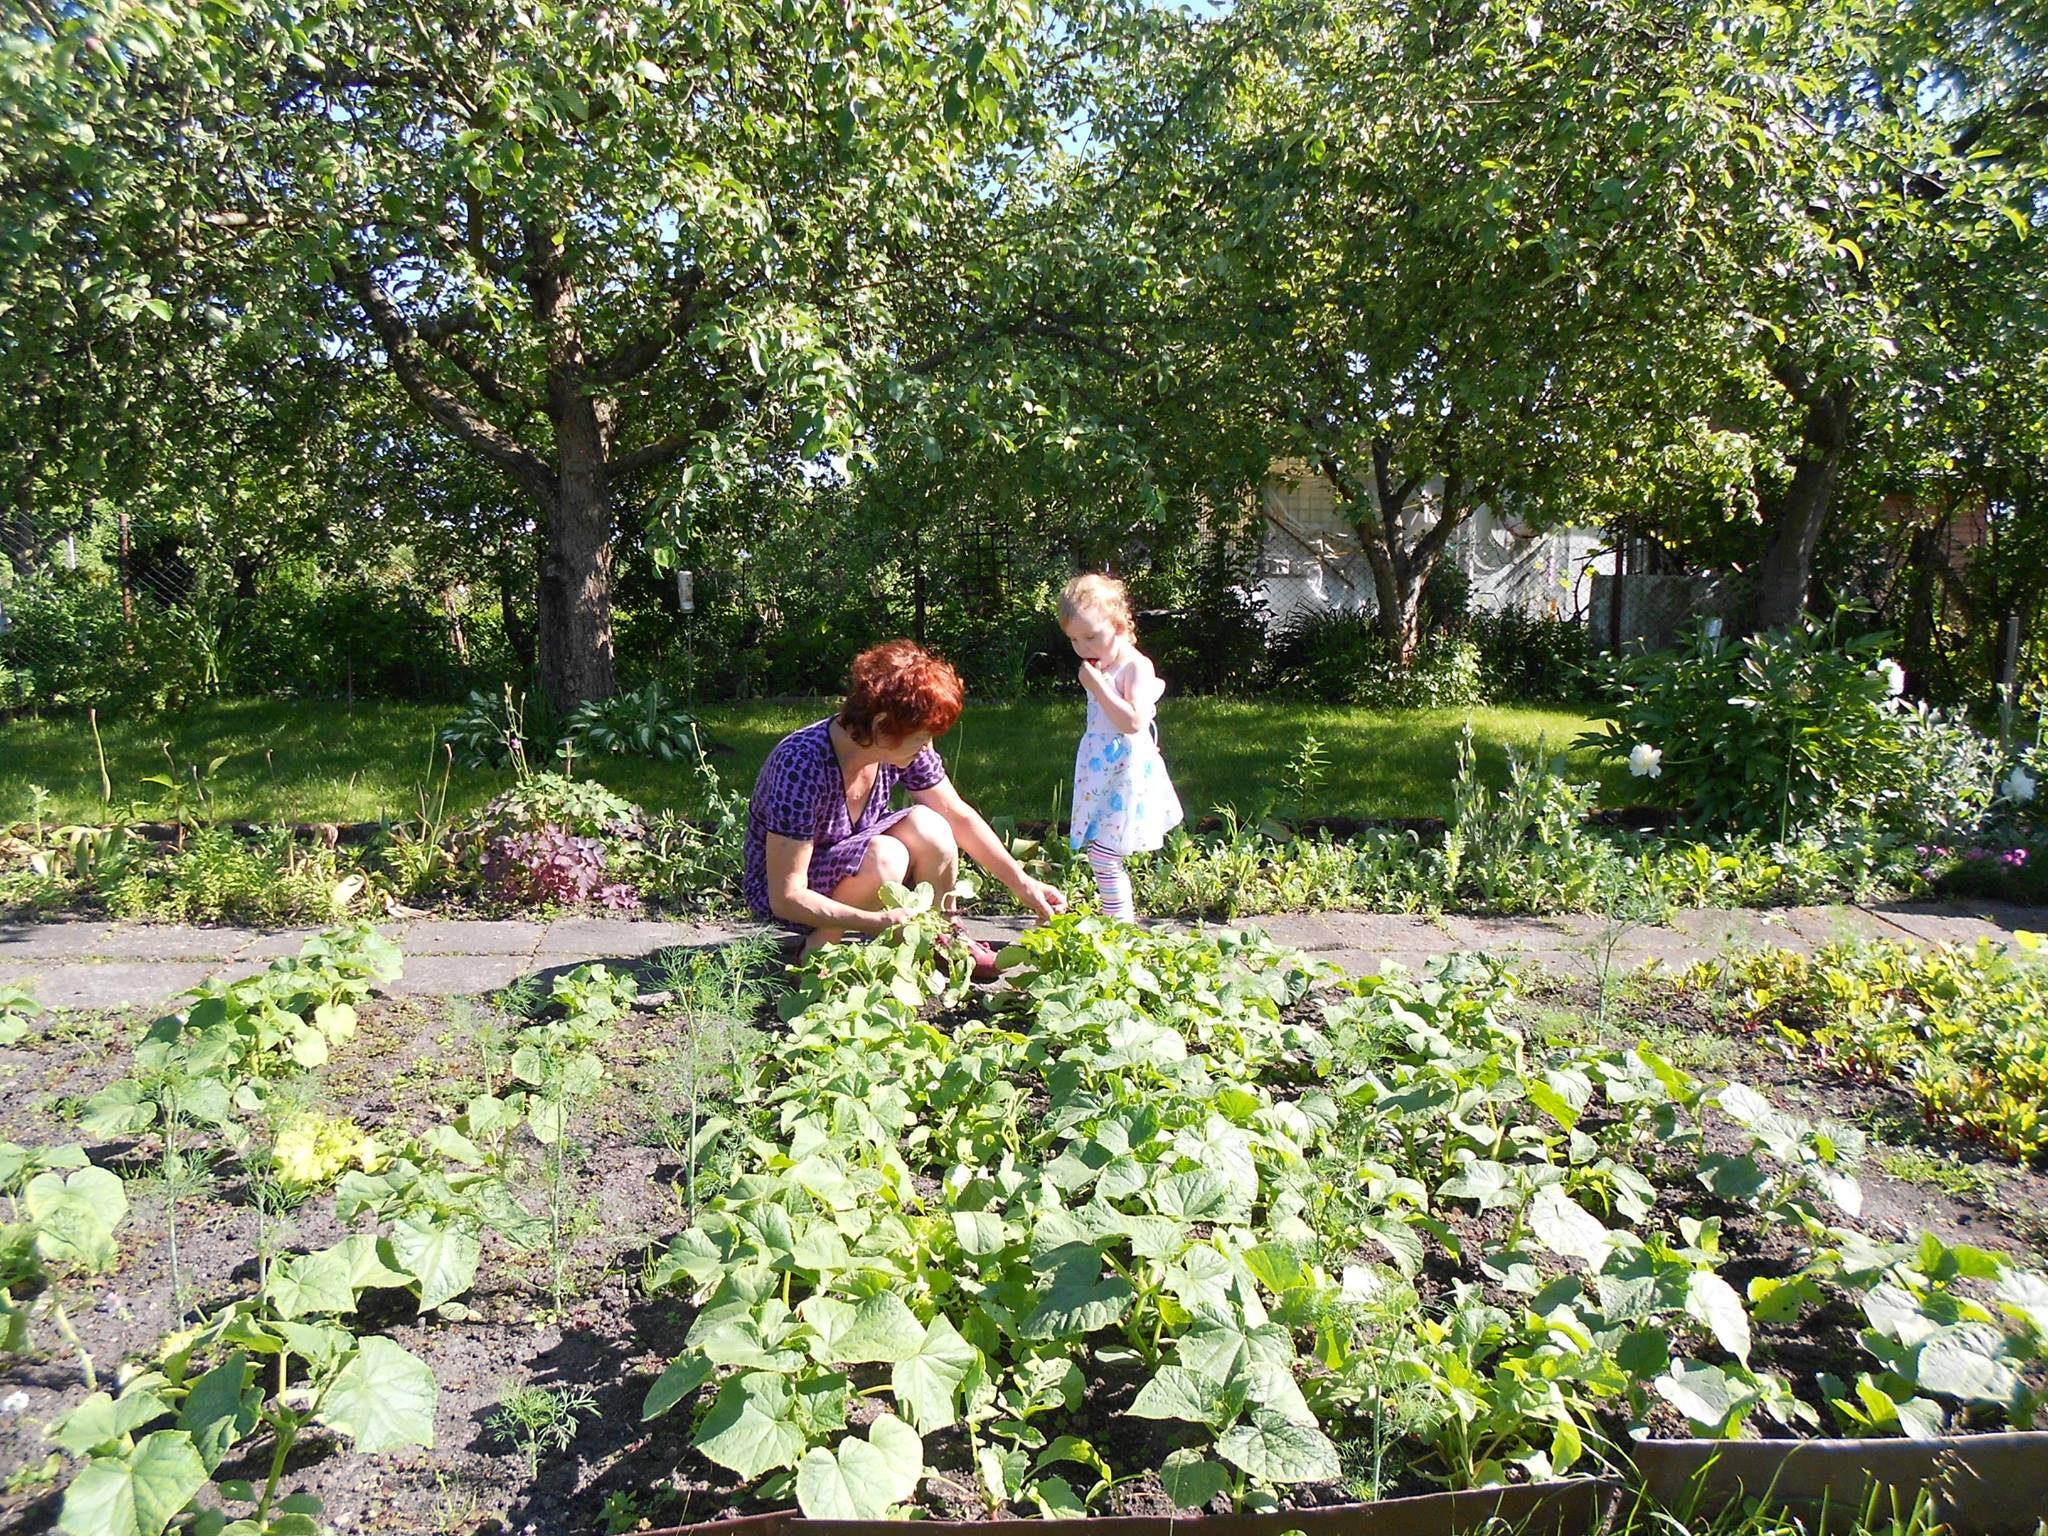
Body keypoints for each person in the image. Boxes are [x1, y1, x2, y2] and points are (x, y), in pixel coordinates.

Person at [743, 640, 1066, 973]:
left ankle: (943, 939)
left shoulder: (898, 748)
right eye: (922, 736)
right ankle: (820, 952)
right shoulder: (800, 764)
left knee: (933, 825)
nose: (928, 746)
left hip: (852, 865)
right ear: (882, 725)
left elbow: (957, 816)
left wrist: (1023, 884)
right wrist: (873, 922)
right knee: (887, 855)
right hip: (789, 896)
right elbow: (785, 895)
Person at [1058, 573, 1184, 921]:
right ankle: (1116, 921)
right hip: (1102, 771)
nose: (1083, 648)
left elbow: (1133, 721)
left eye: (1091, 637)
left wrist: (1097, 686)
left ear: (1117, 625)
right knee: (1101, 850)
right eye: (1074, 640)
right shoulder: (1102, 665)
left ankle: (1120, 926)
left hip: (1125, 775)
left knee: (1103, 854)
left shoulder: (1135, 667)